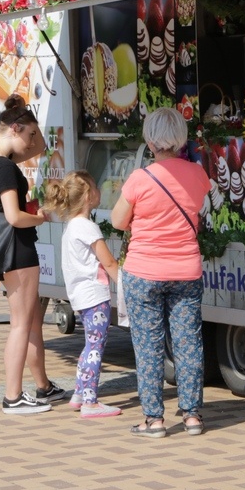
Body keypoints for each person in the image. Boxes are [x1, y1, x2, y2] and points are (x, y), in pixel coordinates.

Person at [110, 107, 210, 438]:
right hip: (186, 270)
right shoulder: (197, 175)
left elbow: (117, 221)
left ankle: (154, 420)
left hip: (144, 271)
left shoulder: (140, 178)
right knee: (188, 342)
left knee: (148, 345)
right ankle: (193, 415)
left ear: (151, 140)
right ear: (180, 138)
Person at [0, 94, 65, 414]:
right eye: (28, 133)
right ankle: (13, 396)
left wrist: (23, 114)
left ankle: (42, 387)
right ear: (13, 129)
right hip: (18, 248)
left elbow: (39, 147)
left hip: (5, 251)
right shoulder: (4, 168)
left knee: (28, 323)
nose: (33, 143)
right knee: (21, 325)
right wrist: (40, 217)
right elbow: (14, 217)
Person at [43, 170, 121, 418]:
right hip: (95, 296)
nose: (100, 192)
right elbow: (108, 262)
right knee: (96, 347)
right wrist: (127, 285)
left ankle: (79, 393)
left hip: (81, 296)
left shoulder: (71, 227)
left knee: (90, 345)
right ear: (89, 195)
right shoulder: (87, 228)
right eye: (96, 188)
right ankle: (90, 401)